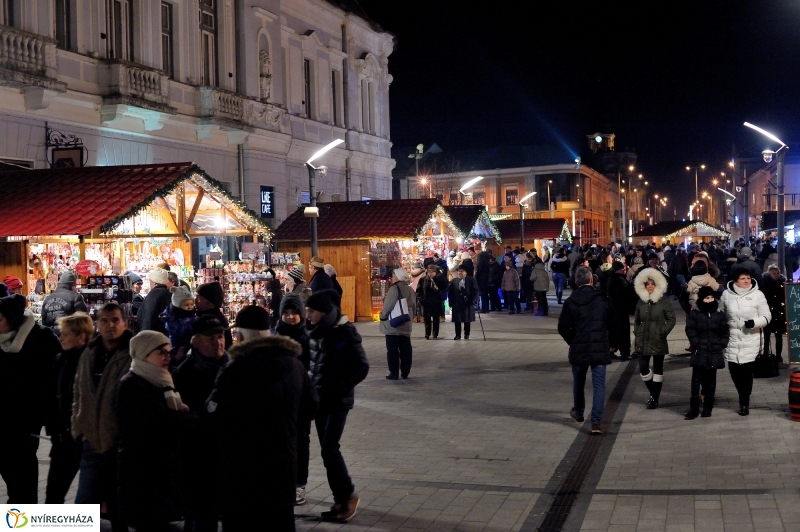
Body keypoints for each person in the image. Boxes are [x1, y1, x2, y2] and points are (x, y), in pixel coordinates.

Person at [207, 305, 318, 531]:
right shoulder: (294, 365)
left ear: (240, 334)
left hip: (243, 470)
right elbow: (311, 407)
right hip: (283, 465)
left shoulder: (235, 369)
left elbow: (215, 414)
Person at [116, 331, 194, 532]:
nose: (168, 357)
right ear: (144, 354)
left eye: (169, 352)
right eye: (161, 352)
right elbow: (161, 423)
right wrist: (188, 419)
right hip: (143, 477)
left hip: (160, 474)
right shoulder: (132, 384)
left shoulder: (161, 381)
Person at [305, 289, 368, 523]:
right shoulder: (314, 331)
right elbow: (312, 364)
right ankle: (340, 499)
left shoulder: (345, 332)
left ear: (323, 312)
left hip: (338, 401)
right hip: (320, 399)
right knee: (326, 450)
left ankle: (348, 496)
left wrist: (341, 387)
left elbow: (362, 367)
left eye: (311, 311)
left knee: (330, 448)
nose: (307, 315)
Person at [72, 302, 132, 531]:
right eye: (104, 321)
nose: (110, 325)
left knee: (119, 511)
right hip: (91, 442)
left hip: (119, 446)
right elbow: (78, 391)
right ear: (96, 324)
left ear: (124, 323)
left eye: (115, 320)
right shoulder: (90, 352)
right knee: (84, 506)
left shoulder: (132, 352)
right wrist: (79, 428)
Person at [171, 314, 230, 532]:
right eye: (210, 338)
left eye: (220, 336)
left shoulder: (232, 366)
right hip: (200, 460)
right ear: (195, 342)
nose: (218, 342)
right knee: (201, 516)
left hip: (228, 457)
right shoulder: (185, 374)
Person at [0, 294, 60, 502]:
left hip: (24, 425)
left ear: (12, 318)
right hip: (3, 423)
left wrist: (40, 415)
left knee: (22, 485)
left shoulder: (41, 338)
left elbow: (54, 379)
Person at [44, 312, 93, 504]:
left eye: (65, 334)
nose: (61, 337)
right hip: (63, 438)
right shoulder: (61, 360)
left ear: (81, 336)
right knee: (54, 494)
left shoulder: (91, 361)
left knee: (92, 496)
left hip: (85, 439)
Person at [557, 266, 613, 435]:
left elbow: (562, 327)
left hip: (579, 346)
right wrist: (611, 341)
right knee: (599, 385)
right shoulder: (601, 299)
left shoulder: (571, 301)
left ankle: (579, 412)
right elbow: (611, 321)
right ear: (591, 280)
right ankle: (596, 422)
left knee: (579, 382)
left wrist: (572, 340)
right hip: (598, 346)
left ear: (576, 281)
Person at [273, 294, 313, 506]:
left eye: (294, 313)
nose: (290, 317)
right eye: (286, 313)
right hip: (279, 399)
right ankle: (283, 484)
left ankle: (300, 485)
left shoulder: (308, 337)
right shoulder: (274, 336)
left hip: (300, 398)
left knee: (301, 441)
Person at [720, 267, 771, 416]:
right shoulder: (726, 294)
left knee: (747, 375)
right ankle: (742, 394)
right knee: (735, 373)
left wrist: (754, 322)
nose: (746, 280)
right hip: (732, 340)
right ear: (736, 280)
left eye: (748, 278)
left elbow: (767, 317)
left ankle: (744, 402)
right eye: (743, 278)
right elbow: (720, 313)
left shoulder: (758, 295)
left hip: (751, 340)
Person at [633, 268, 677, 409]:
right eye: (648, 284)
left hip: (658, 339)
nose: (650, 286)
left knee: (658, 370)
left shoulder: (663, 302)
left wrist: (662, 332)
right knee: (643, 368)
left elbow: (671, 319)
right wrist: (637, 331)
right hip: (643, 339)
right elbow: (637, 319)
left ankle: (654, 398)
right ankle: (653, 392)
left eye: (653, 284)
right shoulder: (641, 302)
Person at [684, 286, 729, 419]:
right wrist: (696, 342)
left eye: (711, 298)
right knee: (696, 379)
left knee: (711, 380)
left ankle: (708, 406)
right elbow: (690, 329)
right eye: (706, 298)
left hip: (714, 350)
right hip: (700, 350)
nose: (709, 301)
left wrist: (722, 343)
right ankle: (694, 408)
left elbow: (725, 330)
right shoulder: (695, 313)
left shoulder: (719, 313)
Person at [380, 268, 416, 379]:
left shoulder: (394, 289)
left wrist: (383, 316)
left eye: (394, 275)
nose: (392, 278)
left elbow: (388, 306)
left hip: (394, 323)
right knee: (406, 348)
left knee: (392, 349)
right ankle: (405, 372)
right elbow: (414, 306)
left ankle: (394, 372)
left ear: (398, 276)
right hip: (406, 321)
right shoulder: (410, 289)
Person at [160, 285, 196, 362]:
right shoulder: (174, 319)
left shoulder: (191, 315)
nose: (190, 307)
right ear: (178, 306)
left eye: (192, 304)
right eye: (186, 305)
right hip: (177, 348)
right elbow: (183, 329)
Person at [760, 264, 787, 365]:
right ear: (769, 274)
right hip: (768, 312)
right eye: (774, 273)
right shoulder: (764, 284)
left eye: (777, 273)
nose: (776, 275)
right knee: (766, 335)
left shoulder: (782, 284)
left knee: (778, 335)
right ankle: (766, 354)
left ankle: (778, 355)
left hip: (779, 313)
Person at [606, 262, 632, 361]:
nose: (624, 270)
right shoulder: (619, 280)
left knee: (614, 331)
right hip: (621, 310)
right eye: (622, 268)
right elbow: (626, 293)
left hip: (613, 310)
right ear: (618, 269)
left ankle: (612, 350)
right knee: (623, 331)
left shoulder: (612, 278)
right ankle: (624, 353)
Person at [195, 281, 233, 349]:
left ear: (209, 301)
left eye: (199, 298)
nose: (195, 300)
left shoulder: (212, 322)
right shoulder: (204, 317)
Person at [137, 267, 174, 334]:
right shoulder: (168, 293)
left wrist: (144, 336)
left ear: (155, 283)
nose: (150, 283)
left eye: (150, 281)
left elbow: (149, 316)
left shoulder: (154, 294)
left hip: (154, 336)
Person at [448, 265, 479, 340]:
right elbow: (450, 292)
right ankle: (457, 334)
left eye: (462, 271)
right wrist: (451, 302)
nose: (460, 273)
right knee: (457, 320)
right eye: (459, 271)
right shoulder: (454, 281)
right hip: (457, 302)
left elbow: (475, 290)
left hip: (467, 302)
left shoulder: (471, 280)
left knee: (467, 319)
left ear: (466, 272)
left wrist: (474, 300)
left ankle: (467, 334)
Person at [416, 264, 447, 339]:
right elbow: (419, 290)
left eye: (432, 272)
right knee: (427, 318)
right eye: (429, 271)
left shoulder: (440, 279)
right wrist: (421, 299)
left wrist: (441, 298)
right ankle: (427, 333)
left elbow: (444, 289)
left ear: (435, 272)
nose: (430, 273)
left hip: (436, 302)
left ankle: (435, 333)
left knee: (436, 318)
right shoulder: (423, 279)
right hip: (426, 302)